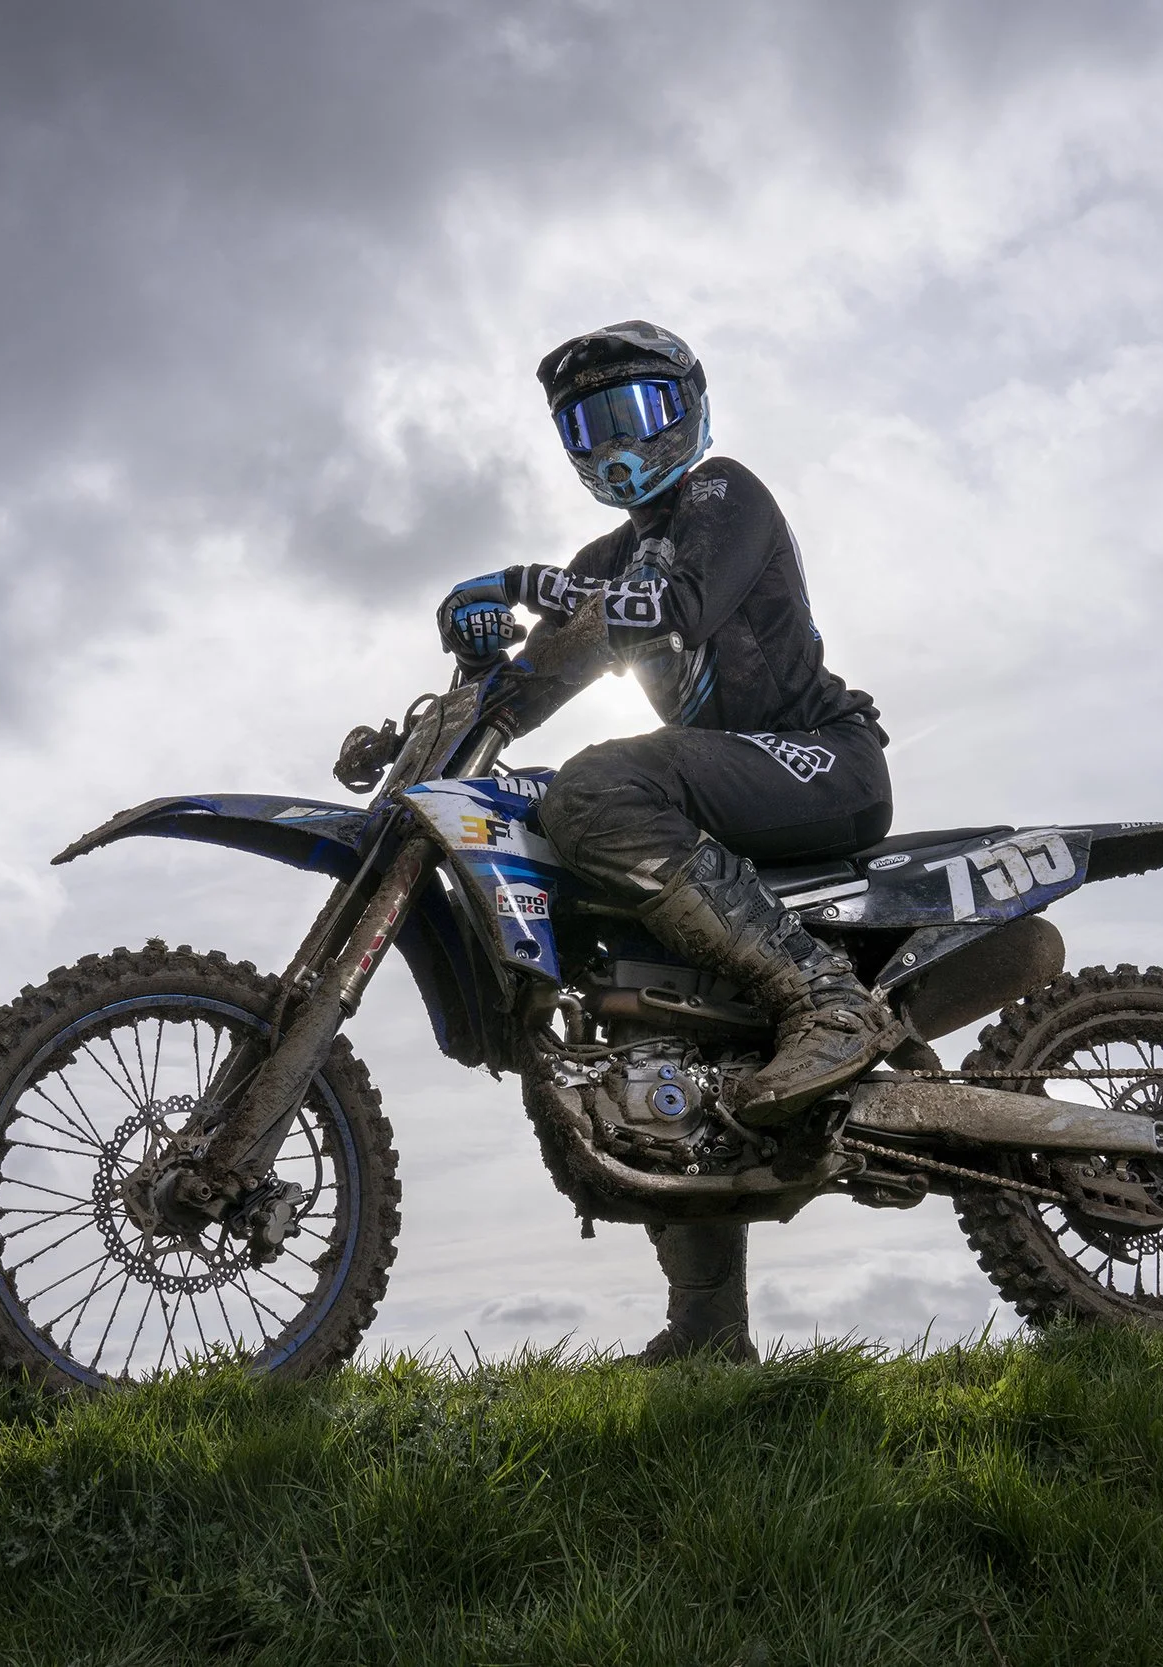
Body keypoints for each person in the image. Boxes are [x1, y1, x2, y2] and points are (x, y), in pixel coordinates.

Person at [434, 321, 903, 1362]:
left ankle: (824, 999)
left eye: (636, 412)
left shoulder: (723, 496)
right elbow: (538, 684)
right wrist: (473, 658)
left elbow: (679, 605)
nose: (615, 444)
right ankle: (707, 1333)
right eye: (589, 423)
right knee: (655, 1014)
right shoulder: (605, 558)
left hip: (814, 758)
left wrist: (529, 581)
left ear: (689, 407)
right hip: (721, 795)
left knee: (602, 782)